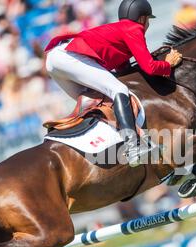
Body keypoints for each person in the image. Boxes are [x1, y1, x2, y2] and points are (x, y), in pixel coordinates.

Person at [44, 0, 183, 167]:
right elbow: (150, 67)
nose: (147, 25)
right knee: (118, 90)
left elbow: (123, 68)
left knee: (94, 101)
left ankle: (103, 142)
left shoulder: (119, 30)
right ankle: (132, 146)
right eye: (148, 20)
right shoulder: (133, 28)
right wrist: (168, 64)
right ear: (142, 19)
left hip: (54, 60)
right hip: (69, 58)